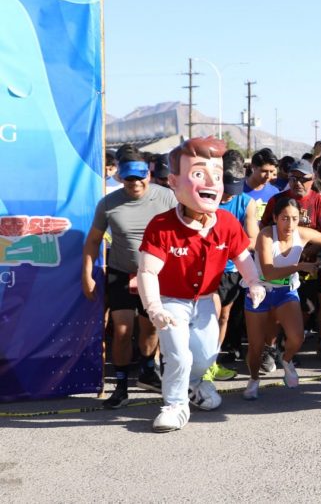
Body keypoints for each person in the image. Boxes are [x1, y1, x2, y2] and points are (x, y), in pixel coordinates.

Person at [137, 137, 267, 433]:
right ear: (174, 181)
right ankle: (174, 404)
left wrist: (254, 281)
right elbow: (147, 271)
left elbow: (242, 255)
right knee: (178, 354)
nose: (210, 182)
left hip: (206, 300)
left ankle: (195, 383)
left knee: (207, 354)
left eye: (217, 176)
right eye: (198, 174)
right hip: (171, 300)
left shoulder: (226, 222)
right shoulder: (161, 226)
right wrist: (153, 306)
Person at [82, 148, 177, 409]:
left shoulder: (167, 197)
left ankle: (148, 371)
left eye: (140, 177)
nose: (135, 183)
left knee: (151, 328)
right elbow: (92, 241)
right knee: (122, 331)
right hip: (121, 272)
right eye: (129, 179)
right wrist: (87, 274)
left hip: (156, 274)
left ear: (149, 174)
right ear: (120, 178)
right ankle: (121, 387)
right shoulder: (108, 203)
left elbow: (182, 233)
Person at [243, 198, 321, 399]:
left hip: (286, 292)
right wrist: (300, 266)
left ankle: (286, 360)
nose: (290, 225)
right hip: (259, 292)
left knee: (297, 338)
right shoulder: (266, 235)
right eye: (285, 218)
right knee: (255, 347)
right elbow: (269, 272)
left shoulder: (303, 234)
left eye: (295, 219)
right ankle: (254, 379)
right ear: (275, 218)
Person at [212, 157, 260, 381]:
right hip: (203, 268)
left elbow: (252, 240)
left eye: (234, 190)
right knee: (203, 317)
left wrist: (225, 242)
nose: (229, 195)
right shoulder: (201, 196)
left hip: (230, 268)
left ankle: (210, 362)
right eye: (226, 189)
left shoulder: (246, 202)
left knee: (223, 317)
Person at [243, 148, 280, 220]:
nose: (268, 176)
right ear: (253, 168)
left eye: (271, 171)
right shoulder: (237, 190)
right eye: (264, 171)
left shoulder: (275, 193)